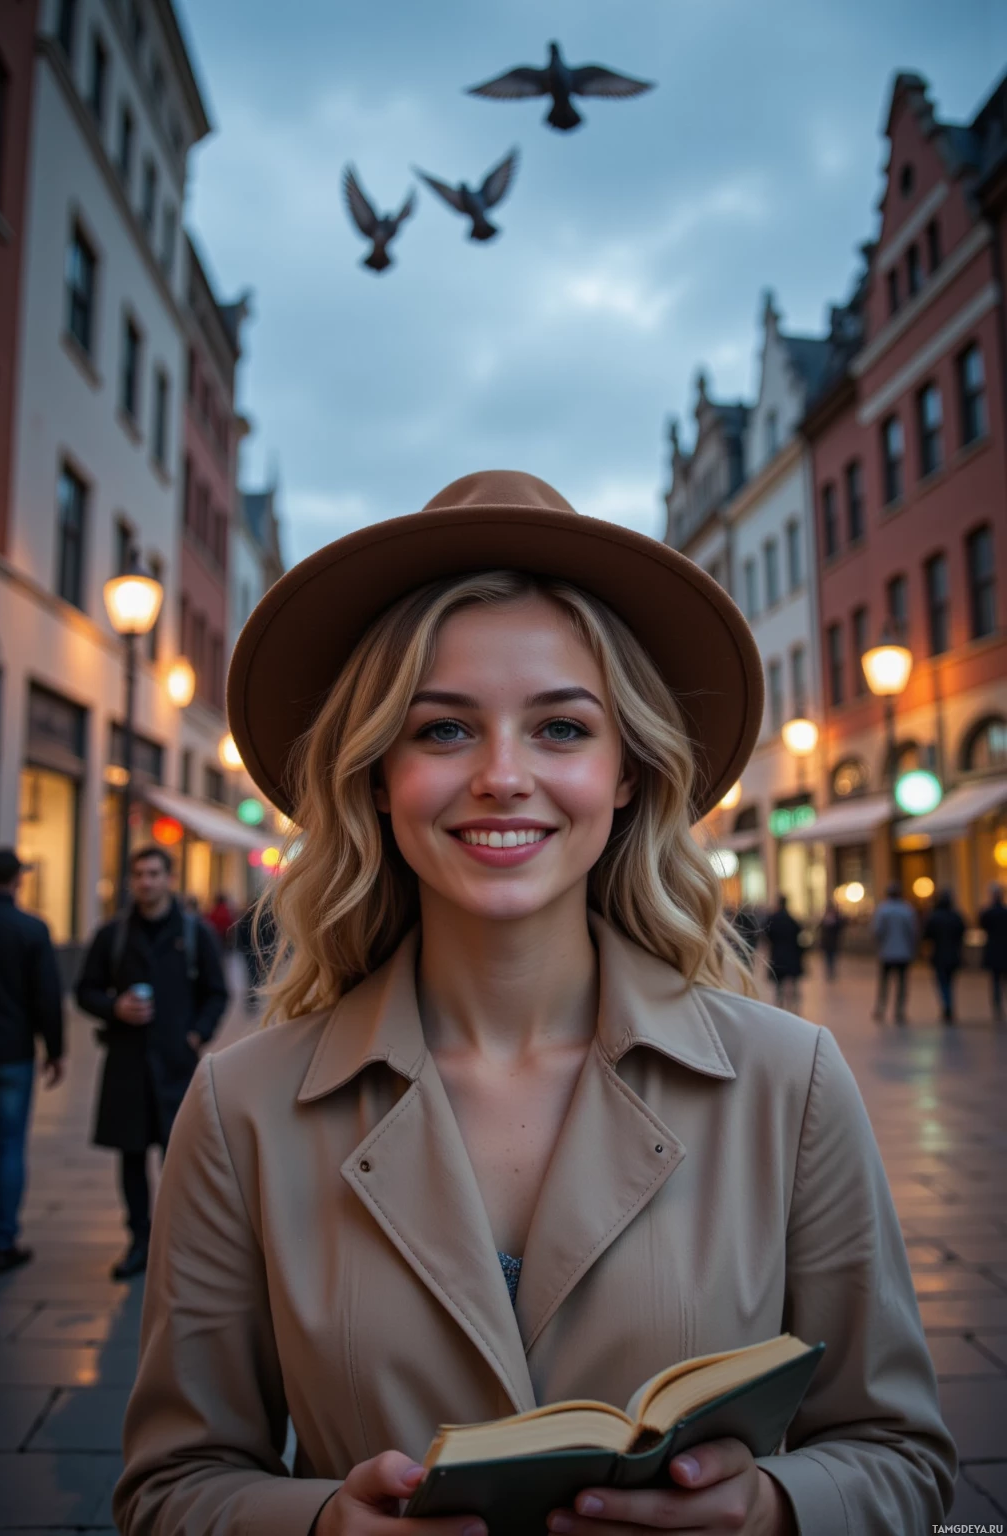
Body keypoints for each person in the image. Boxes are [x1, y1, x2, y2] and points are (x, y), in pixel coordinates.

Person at [114, 471, 955, 1535]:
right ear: (375, 774)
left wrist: (776, 1510)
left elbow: (901, 1457)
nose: (502, 776)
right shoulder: (242, 1111)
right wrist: (320, 1524)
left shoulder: (790, 1084)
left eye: (560, 729)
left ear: (628, 774)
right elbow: (168, 1487)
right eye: (442, 730)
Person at [75, 845, 230, 1280]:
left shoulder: (195, 933)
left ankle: (177, 1242)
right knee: (130, 1156)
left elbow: (217, 993)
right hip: (127, 1063)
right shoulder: (114, 934)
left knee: (177, 1158)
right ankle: (139, 1240)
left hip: (176, 1064)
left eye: (154, 874)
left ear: (169, 879)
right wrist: (114, 1007)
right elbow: (85, 989)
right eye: (139, 874)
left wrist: (197, 1033)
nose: (146, 882)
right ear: (131, 880)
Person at [0, 847, 65, 1273]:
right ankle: (3, 1240)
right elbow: (47, 998)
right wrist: (55, 1051)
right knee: (10, 1147)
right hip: (12, 1053)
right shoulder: (31, 929)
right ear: (19, 879)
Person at [871, 881, 919, 1025]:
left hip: (887, 952)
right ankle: (899, 1010)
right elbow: (913, 931)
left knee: (884, 982)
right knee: (902, 983)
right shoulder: (907, 909)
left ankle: (881, 1007)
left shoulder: (883, 909)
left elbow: (876, 930)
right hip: (903, 953)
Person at [922, 890, 966, 1026]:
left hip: (939, 955)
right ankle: (948, 1004)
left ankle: (947, 1005)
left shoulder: (934, 917)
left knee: (943, 982)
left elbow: (926, 935)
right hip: (953, 955)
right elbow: (962, 932)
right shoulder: (956, 916)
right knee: (949, 982)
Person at [762, 894, 803, 1012]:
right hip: (792, 955)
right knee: (793, 983)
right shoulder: (792, 919)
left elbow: (766, 935)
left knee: (778, 985)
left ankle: (779, 1006)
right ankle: (794, 1006)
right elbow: (799, 934)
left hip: (778, 954)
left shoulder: (773, 919)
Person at [979, 882, 1007, 1024]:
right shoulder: (1004, 912)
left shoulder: (988, 912)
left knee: (996, 981)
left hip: (994, 951)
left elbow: (981, 922)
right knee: (999, 980)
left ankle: (997, 1006)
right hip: (1003, 951)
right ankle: (998, 1005)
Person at [817, 899, 846, 981]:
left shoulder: (836, 919)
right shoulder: (824, 919)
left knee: (832, 957)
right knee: (828, 958)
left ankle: (832, 971)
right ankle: (829, 972)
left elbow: (840, 927)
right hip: (827, 943)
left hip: (833, 942)